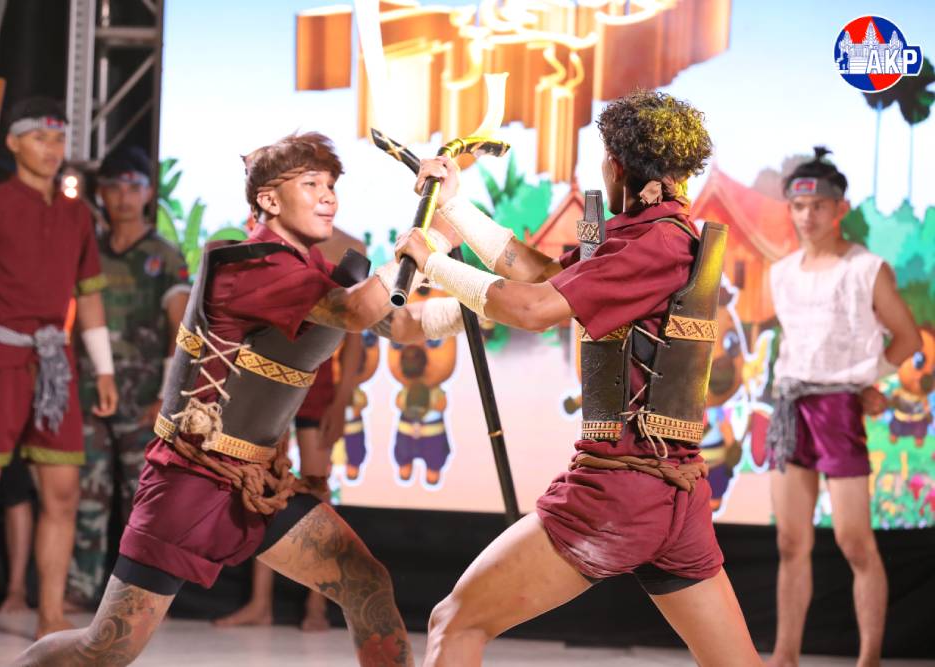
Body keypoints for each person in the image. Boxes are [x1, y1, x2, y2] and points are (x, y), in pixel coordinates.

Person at [12, 131, 465, 666]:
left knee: (364, 582)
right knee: (103, 649)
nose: (328, 196)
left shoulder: (309, 272)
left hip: (254, 485)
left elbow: (401, 323)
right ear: (268, 200)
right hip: (188, 484)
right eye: (311, 183)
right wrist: (426, 241)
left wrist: (473, 300)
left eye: (331, 185)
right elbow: (356, 310)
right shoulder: (248, 266)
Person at [395, 90, 761, 666]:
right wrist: (457, 208)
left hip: (620, 492)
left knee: (454, 623)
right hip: (675, 492)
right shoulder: (653, 235)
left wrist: (432, 261)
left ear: (615, 164)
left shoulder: (655, 243)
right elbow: (544, 276)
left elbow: (533, 308)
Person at [0, 97, 118, 650]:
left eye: (59, 138)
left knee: (62, 494)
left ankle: (50, 616)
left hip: (55, 364)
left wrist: (104, 369)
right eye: (40, 137)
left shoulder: (77, 214)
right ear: (14, 143)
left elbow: (89, 295)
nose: (52, 148)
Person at [764, 148, 921, 667]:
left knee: (855, 541)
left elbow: (906, 337)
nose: (807, 216)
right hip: (790, 405)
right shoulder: (780, 273)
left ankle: (868, 659)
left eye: (818, 206)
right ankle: (784, 656)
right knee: (790, 541)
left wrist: (868, 382)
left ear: (840, 209)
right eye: (798, 207)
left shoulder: (865, 268)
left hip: (838, 408)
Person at [214, 230, 365, 631]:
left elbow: (354, 334)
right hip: (269, 377)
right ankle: (260, 602)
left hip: (318, 383)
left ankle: (317, 604)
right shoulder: (266, 237)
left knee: (317, 489)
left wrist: (343, 398)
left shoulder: (349, 247)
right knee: (264, 484)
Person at [67, 146, 191, 608]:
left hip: (144, 398)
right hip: (87, 391)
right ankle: (79, 588)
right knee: (86, 493)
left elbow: (180, 331)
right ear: (100, 192)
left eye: (133, 187)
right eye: (113, 187)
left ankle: (136, 600)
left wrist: (166, 396)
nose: (123, 196)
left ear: (148, 193)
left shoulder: (164, 256)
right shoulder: (88, 251)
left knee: (142, 500)